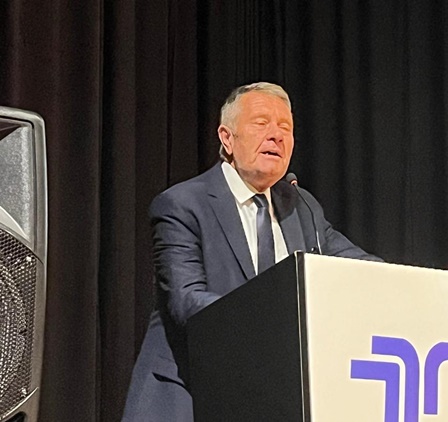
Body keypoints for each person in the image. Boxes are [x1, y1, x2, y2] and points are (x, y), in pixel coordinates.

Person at [122, 82, 380, 421]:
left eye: (285, 127)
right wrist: (275, 327)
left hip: (266, 397)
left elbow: (358, 265)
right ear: (227, 138)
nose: (276, 135)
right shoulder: (183, 205)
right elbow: (186, 301)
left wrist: (404, 283)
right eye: (261, 123)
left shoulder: (301, 206)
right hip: (188, 395)